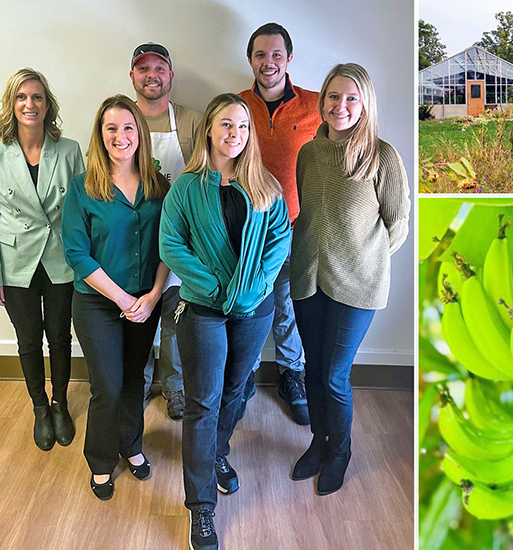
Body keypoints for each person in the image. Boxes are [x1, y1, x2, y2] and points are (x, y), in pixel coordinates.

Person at [160, 93, 291, 550]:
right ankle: (201, 511)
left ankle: (216, 453)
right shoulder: (187, 188)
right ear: (209, 131)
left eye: (242, 126)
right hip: (203, 307)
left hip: (255, 307)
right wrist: (216, 288)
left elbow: (279, 242)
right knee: (203, 402)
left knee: (238, 390)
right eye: (225, 125)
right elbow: (171, 245)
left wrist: (251, 292)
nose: (234, 134)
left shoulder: (265, 188)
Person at [290, 63, 409, 495]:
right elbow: (309, 212)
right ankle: (318, 443)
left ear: (366, 104)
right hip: (306, 279)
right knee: (312, 369)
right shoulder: (308, 153)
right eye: (333, 97)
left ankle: (340, 452)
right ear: (321, 102)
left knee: (335, 374)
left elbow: (397, 225)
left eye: (351, 98)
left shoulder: (383, 155)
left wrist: (365, 260)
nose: (341, 106)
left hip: (357, 287)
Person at [62, 95, 170, 501]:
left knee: (133, 382)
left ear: (140, 134)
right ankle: (101, 461)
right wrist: (125, 299)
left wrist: (155, 293)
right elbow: (76, 252)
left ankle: (132, 444)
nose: (121, 136)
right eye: (111, 128)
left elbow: (168, 245)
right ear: (100, 134)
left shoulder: (160, 186)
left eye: (128, 127)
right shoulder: (83, 186)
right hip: (98, 304)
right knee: (106, 386)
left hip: (147, 302)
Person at [0, 68, 83, 451]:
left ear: (47, 103)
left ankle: (61, 404)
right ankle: (39, 407)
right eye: (21, 97)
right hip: (14, 260)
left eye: (37, 97)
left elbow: (82, 210)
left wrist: (87, 265)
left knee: (59, 336)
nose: (29, 104)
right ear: (11, 103)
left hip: (60, 259)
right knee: (28, 340)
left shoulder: (68, 149)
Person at [237, 23, 321, 426]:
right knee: (248, 304)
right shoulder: (235, 106)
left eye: (275, 55)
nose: (267, 63)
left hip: (295, 227)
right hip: (244, 230)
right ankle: (245, 376)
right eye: (259, 55)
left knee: (287, 306)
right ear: (250, 59)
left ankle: (292, 375)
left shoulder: (317, 105)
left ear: (288, 58)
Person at [129, 42, 201, 420]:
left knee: (176, 319)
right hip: (135, 236)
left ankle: (175, 387)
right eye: (143, 69)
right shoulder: (123, 119)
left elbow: (205, 177)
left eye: (159, 68)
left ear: (171, 75)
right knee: (138, 315)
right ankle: (138, 383)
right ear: (132, 77)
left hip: (180, 237)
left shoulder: (190, 121)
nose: (151, 75)